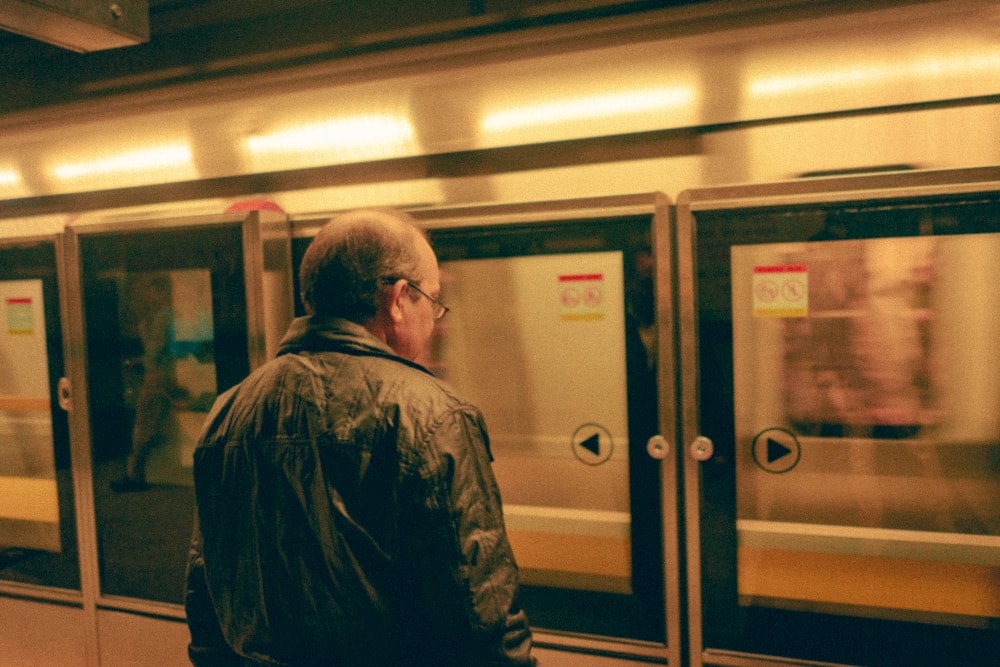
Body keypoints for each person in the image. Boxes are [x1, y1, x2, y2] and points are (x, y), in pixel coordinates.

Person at [184, 208, 537, 666]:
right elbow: (478, 610)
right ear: (397, 299)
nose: (435, 322)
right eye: (432, 302)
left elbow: (205, 587)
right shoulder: (432, 415)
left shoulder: (230, 410)